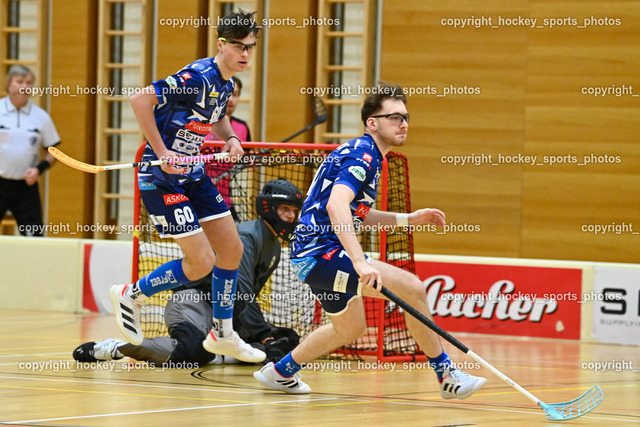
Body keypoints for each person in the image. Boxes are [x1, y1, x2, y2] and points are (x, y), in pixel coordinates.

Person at [254, 82, 487, 399]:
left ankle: (279, 372)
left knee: (349, 330)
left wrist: (408, 219)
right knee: (413, 287)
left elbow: (356, 211)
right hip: (322, 253)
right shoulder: (364, 155)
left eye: (405, 117)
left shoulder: (367, 155)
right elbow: (336, 206)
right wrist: (360, 261)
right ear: (372, 123)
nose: (403, 123)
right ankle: (447, 375)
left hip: (313, 256)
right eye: (393, 117)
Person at [109, 9, 265, 363]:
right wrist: (162, 151)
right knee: (200, 263)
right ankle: (130, 294)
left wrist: (230, 140)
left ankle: (222, 333)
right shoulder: (197, 75)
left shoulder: (223, 84)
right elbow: (140, 99)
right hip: (161, 179)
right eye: (239, 46)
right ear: (221, 44)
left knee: (231, 250)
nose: (245, 53)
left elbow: (218, 114)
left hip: (193, 176)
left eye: (251, 47)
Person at [75, 179, 303, 366]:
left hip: (221, 312)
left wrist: (269, 337)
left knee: (287, 341)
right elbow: (241, 291)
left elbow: (242, 301)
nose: (291, 217)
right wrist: (264, 335)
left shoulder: (273, 244)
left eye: (294, 211)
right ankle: (115, 348)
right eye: (285, 210)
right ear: (269, 208)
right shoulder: (247, 237)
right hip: (193, 303)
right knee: (192, 352)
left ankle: (218, 354)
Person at [0, 65, 61, 237]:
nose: (24, 86)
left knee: (35, 236)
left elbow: (53, 150)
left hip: (26, 188)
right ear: (8, 84)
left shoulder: (40, 117)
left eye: (29, 83)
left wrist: (39, 169)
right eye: (19, 82)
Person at [202, 76, 251, 220]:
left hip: (224, 200)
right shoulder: (200, 125)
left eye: (235, 95)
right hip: (198, 196)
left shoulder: (242, 128)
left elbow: (247, 159)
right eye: (228, 94)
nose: (230, 99)